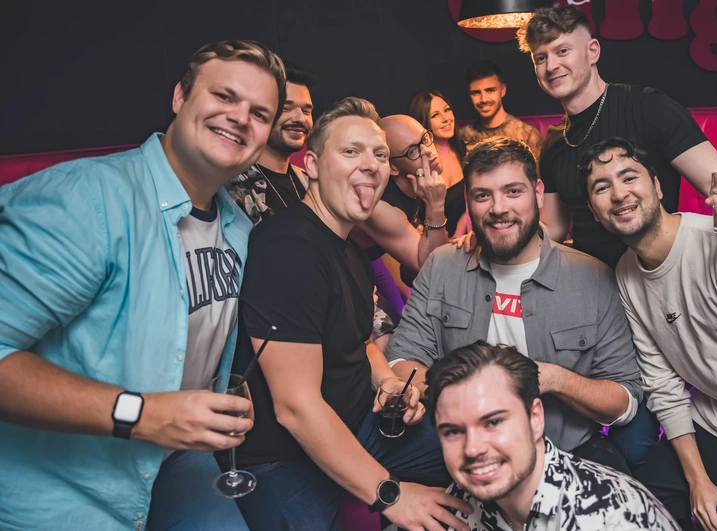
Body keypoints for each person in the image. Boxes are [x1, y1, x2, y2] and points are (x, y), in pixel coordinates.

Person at [0, 40, 286, 531]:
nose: (240, 117)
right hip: (60, 484)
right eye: (224, 96)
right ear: (179, 97)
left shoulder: (238, 227)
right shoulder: (86, 200)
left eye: (259, 112)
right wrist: (145, 413)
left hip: (173, 461)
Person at [230, 97, 472, 531]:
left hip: (361, 423)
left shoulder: (350, 251)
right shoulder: (289, 249)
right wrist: (390, 494)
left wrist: (389, 383)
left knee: (477, 446)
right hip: (282, 457)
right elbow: (295, 408)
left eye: (379, 155)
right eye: (350, 151)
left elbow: (361, 344)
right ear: (313, 166)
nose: (370, 165)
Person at [387, 137, 643, 475]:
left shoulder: (593, 278)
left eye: (513, 191)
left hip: (564, 453)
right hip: (462, 456)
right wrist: (417, 388)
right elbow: (403, 357)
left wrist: (554, 379)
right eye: (482, 195)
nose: (498, 208)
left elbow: (624, 401)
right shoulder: (442, 267)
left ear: (538, 193)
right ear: (468, 201)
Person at [581, 137, 717, 531]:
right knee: (629, 516)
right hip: (711, 425)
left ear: (659, 185)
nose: (618, 194)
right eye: (601, 187)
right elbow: (662, 384)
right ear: (595, 214)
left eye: (629, 176)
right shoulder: (626, 274)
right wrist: (698, 481)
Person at [516, 5, 717, 270]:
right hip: (591, 283)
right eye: (540, 58)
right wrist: (502, 232)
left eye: (562, 51)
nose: (551, 66)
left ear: (592, 52)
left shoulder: (648, 108)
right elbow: (554, 227)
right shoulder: (554, 143)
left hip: (659, 276)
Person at [426, 341, 680, 531]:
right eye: (454, 431)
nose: (472, 449)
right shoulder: (461, 500)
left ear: (535, 418)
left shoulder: (615, 518)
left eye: (493, 422)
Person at [350, 114, 450, 321]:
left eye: (424, 139)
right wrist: (435, 205)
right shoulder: (379, 206)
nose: (427, 151)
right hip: (338, 275)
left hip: (368, 262)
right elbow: (432, 268)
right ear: (392, 168)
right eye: (412, 151)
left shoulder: (416, 181)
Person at [226, 62, 316, 222]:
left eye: (306, 111)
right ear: (258, 114)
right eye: (286, 108)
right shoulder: (234, 184)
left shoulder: (311, 181)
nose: (300, 118)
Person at [409, 89, 469, 237]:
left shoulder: (463, 150)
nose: (445, 118)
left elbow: (471, 201)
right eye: (435, 115)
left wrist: (458, 235)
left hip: (463, 239)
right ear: (423, 123)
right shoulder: (418, 164)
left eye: (447, 110)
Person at [459, 59, 542, 159]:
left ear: (502, 90)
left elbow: (538, 174)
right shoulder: (463, 137)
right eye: (476, 93)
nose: (483, 99)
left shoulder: (528, 135)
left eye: (490, 90)